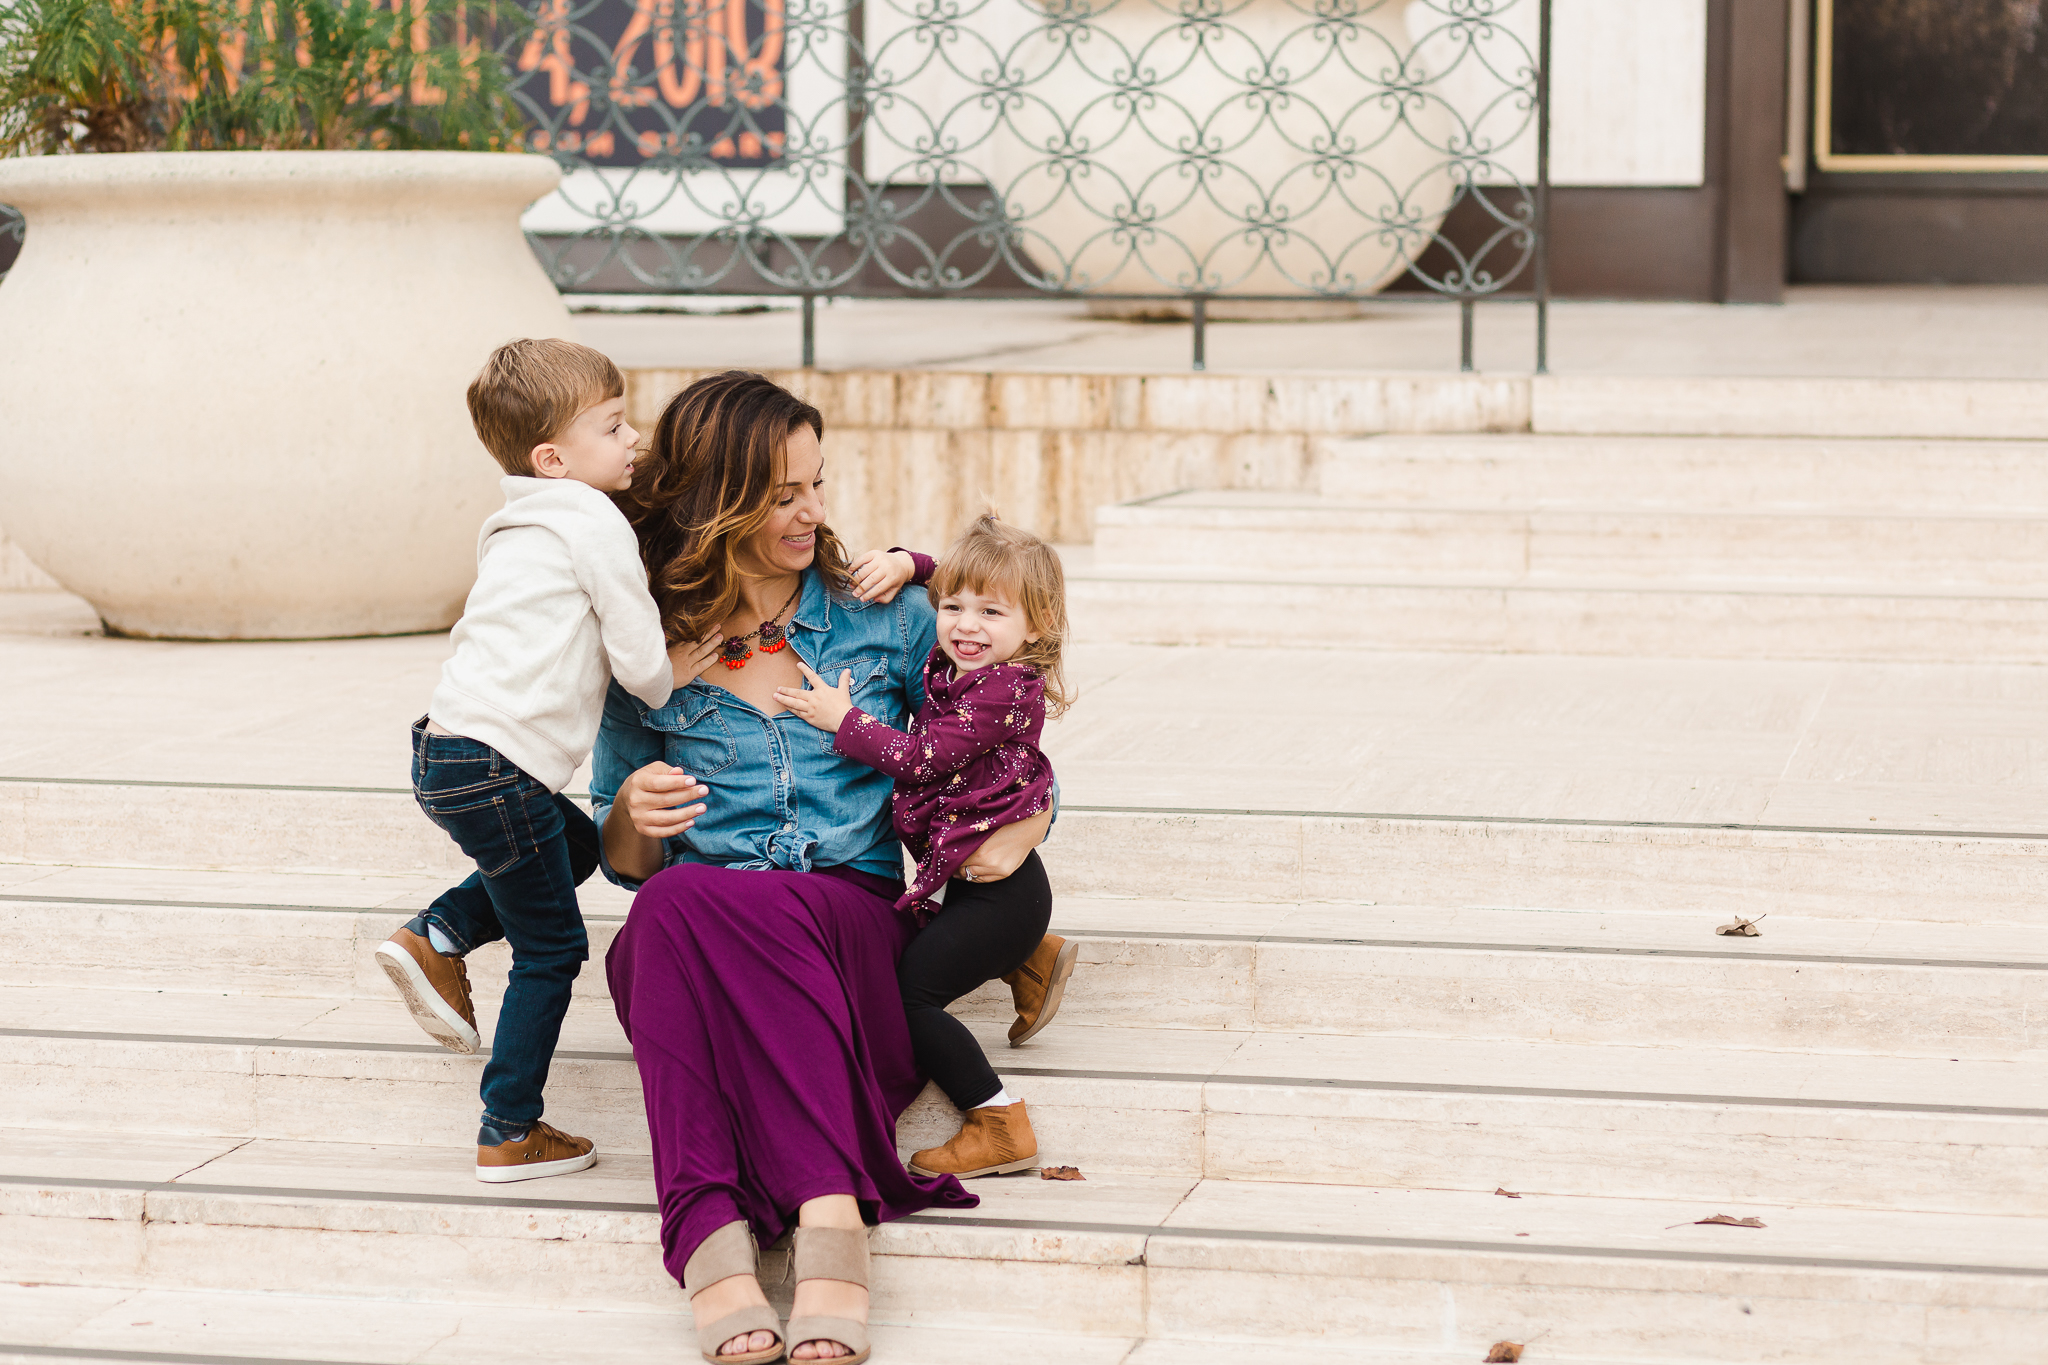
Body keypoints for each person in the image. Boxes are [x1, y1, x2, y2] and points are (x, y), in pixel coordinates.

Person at [592, 371, 1053, 1363]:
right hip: (707, 921)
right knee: (665, 908)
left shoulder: (885, 614)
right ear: (714, 503)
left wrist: (1013, 882)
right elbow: (624, 864)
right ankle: (799, 1217)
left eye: (816, 484)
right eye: (780, 494)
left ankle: (755, 1222)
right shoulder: (647, 653)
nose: (812, 513)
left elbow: (1005, 720)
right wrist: (630, 818)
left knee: (676, 916)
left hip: (849, 922)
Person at [374, 338, 680, 1184]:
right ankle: (510, 1125)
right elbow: (645, 666)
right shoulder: (594, 521)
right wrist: (688, 662)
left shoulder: (514, 519)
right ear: (554, 458)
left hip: (446, 749)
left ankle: (435, 932)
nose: (632, 440)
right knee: (552, 949)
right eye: (614, 426)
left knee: (576, 845)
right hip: (499, 768)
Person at [776, 513, 1074, 1180]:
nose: (965, 624)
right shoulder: (979, 656)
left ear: (1037, 625)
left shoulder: (1001, 689)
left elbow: (920, 757)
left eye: (990, 612)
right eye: (954, 607)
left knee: (908, 996)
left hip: (1003, 894)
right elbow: (958, 576)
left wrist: (842, 720)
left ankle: (997, 1117)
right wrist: (913, 564)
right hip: (977, 885)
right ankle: (1030, 962)